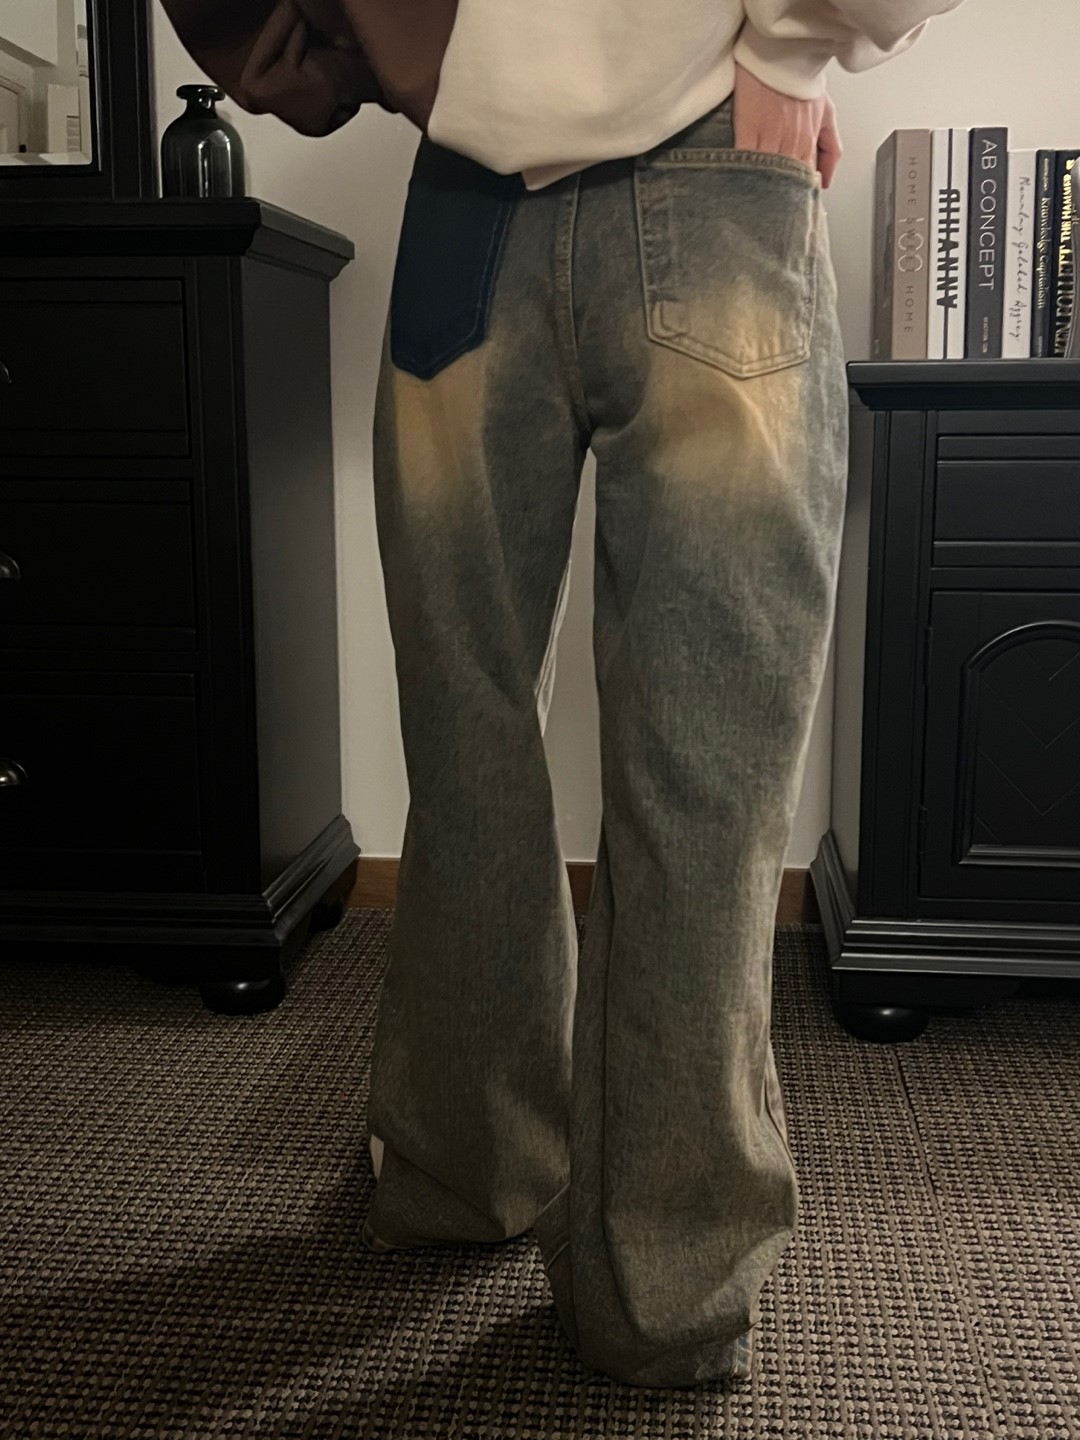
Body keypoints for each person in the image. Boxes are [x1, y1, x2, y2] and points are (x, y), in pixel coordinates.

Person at [165, 0, 963, 1390]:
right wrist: (788, 46)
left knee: (467, 739)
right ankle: (661, 1286)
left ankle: (463, 1170)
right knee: (704, 779)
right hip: (709, 172)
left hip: (475, 191)